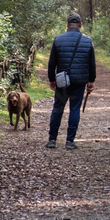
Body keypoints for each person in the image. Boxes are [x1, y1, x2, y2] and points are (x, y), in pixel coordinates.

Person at [46, 13, 96, 150]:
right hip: (79, 81)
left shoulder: (58, 39)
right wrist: (91, 80)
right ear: (81, 25)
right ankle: (70, 141)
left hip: (62, 81)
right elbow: (91, 63)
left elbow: (52, 63)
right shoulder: (87, 41)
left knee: (58, 108)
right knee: (74, 109)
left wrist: (52, 79)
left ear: (67, 24)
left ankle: (52, 140)